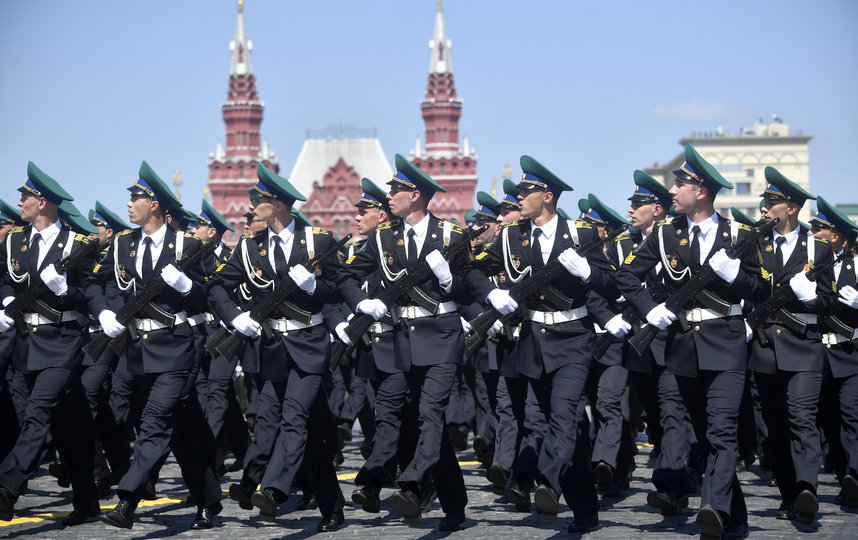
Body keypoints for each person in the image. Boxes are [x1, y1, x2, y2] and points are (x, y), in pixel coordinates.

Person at [615, 143, 769, 540]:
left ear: (701, 191)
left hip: (727, 343)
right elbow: (627, 277)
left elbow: (762, 292)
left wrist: (737, 276)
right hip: (683, 345)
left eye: (680, 184)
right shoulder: (666, 235)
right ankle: (735, 514)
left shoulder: (739, 233)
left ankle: (712, 510)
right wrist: (650, 309)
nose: (672, 192)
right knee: (703, 434)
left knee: (721, 432)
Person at [465, 155, 614, 533]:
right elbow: (474, 269)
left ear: (547, 197)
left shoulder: (580, 235)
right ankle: (585, 508)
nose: (518, 199)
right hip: (533, 340)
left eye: (525, 192)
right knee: (551, 420)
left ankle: (547, 481)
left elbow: (613, 285)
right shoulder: (514, 236)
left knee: (564, 414)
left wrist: (590, 273)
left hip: (574, 340)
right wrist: (491, 296)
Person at [207, 163, 344, 532]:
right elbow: (217, 285)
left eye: (258, 199)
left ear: (279, 205)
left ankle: (274, 488)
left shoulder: (318, 241)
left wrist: (316, 287)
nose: (251, 206)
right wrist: (234, 317)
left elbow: (338, 290)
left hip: (310, 344)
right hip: (272, 349)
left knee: (295, 417)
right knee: (295, 427)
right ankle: (333, 507)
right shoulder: (251, 247)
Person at [338, 154, 470, 531]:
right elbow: (347, 275)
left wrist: (449, 284)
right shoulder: (383, 238)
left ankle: (412, 483)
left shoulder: (451, 236)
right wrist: (360, 301)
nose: (389, 195)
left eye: (395, 190)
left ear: (415, 195)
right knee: (400, 415)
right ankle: (451, 503)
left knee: (430, 414)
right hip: (398, 341)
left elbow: (472, 286)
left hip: (442, 337)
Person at [97, 161, 223, 530]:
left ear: (154, 205)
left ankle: (127, 501)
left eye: (136, 198)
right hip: (138, 351)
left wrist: (188, 288)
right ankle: (208, 500)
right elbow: (97, 285)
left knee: (153, 424)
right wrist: (104, 311)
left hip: (177, 348)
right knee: (178, 431)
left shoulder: (188, 245)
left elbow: (210, 293)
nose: (129, 204)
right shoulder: (123, 244)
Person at [0, 162, 101, 525]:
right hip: (27, 343)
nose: (21, 201)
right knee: (65, 424)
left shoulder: (76, 244)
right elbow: (6, 279)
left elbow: (92, 292)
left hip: (63, 341)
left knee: (38, 411)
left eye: (25, 196)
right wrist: (6, 303)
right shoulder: (15, 240)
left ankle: (6, 488)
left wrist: (67, 292)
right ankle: (87, 499)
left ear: (42, 202)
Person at [748, 168, 836, 526]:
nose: (765, 208)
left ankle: (806, 489)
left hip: (804, 347)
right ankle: (788, 494)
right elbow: (748, 288)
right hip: (766, 348)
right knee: (777, 425)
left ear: (792, 207)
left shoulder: (818, 247)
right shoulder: (756, 243)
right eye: (765, 201)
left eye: (772, 202)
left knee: (803, 418)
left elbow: (832, 303)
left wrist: (813, 299)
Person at [810, 196, 858, 508]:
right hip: (818, 354)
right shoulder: (815, 263)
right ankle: (845, 478)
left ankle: (855, 475)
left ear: (836, 235)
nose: (813, 232)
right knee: (828, 421)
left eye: (819, 228)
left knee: (852, 416)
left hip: (850, 352)